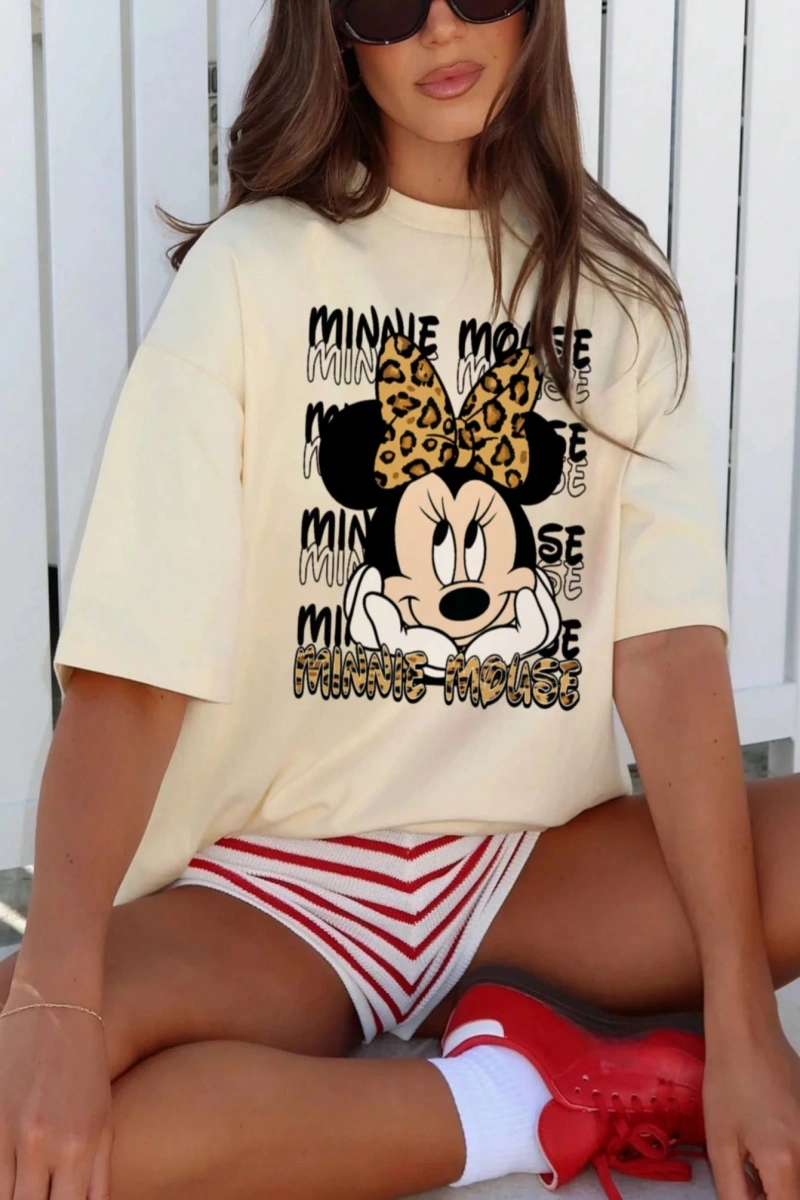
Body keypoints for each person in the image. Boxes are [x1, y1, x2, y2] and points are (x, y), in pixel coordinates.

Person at [2, 0, 799, 1197]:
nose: (438, 29)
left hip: (531, 871)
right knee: (22, 1106)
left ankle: (538, 1055)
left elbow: (667, 653)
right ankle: (531, 1100)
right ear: (333, 29)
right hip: (275, 885)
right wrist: (56, 999)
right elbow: (131, 675)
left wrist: (744, 1023)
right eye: (387, 1)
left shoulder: (616, 296)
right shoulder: (251, 273)